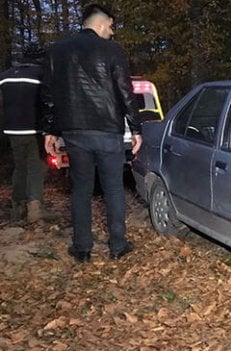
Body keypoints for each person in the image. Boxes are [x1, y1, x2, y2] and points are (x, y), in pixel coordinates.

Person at [42, 4, 141, 263]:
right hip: (108, 131)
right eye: (110, 25)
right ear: (99, 24)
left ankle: (82, 249)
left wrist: (51, 130)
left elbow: (50, 95)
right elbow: (125, 92)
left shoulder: (57, 51)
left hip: (75, 132)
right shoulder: (112, 51)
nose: (112, 31)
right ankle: (118, 245)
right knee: (114, 189)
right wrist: (136, 128)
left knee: (81, 190)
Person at [0, 44, 58, 223]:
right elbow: (48, 103)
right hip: (34, 128)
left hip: (11, 128)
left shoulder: (5, 76)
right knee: (36, 166)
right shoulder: (41, 75)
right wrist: (52, 129)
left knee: (20, 165)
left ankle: (18, 206)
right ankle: (34, 207)